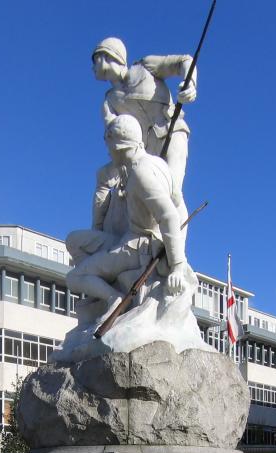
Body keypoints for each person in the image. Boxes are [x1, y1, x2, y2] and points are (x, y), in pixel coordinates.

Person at [66, 115, 193, 314]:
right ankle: (99, 287)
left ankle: (112, 297)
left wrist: (177, 265)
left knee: (74, 278)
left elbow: (169, 215)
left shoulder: (141, 172)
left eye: (110, 147)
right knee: (74, 240)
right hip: (128, 239)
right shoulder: (156, 164)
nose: (108, 153)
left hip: (138, 248)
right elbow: (178, 204)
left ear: (119, 146)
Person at [92, 37, 196, 204]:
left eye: (94, 61)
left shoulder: (145, 67)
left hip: (172, 132)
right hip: (143, 154)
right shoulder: (109, 101)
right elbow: (114, 140)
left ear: (105, 56)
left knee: (173, 192)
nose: (92, 68)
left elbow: (184, 61)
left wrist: (189, 83)